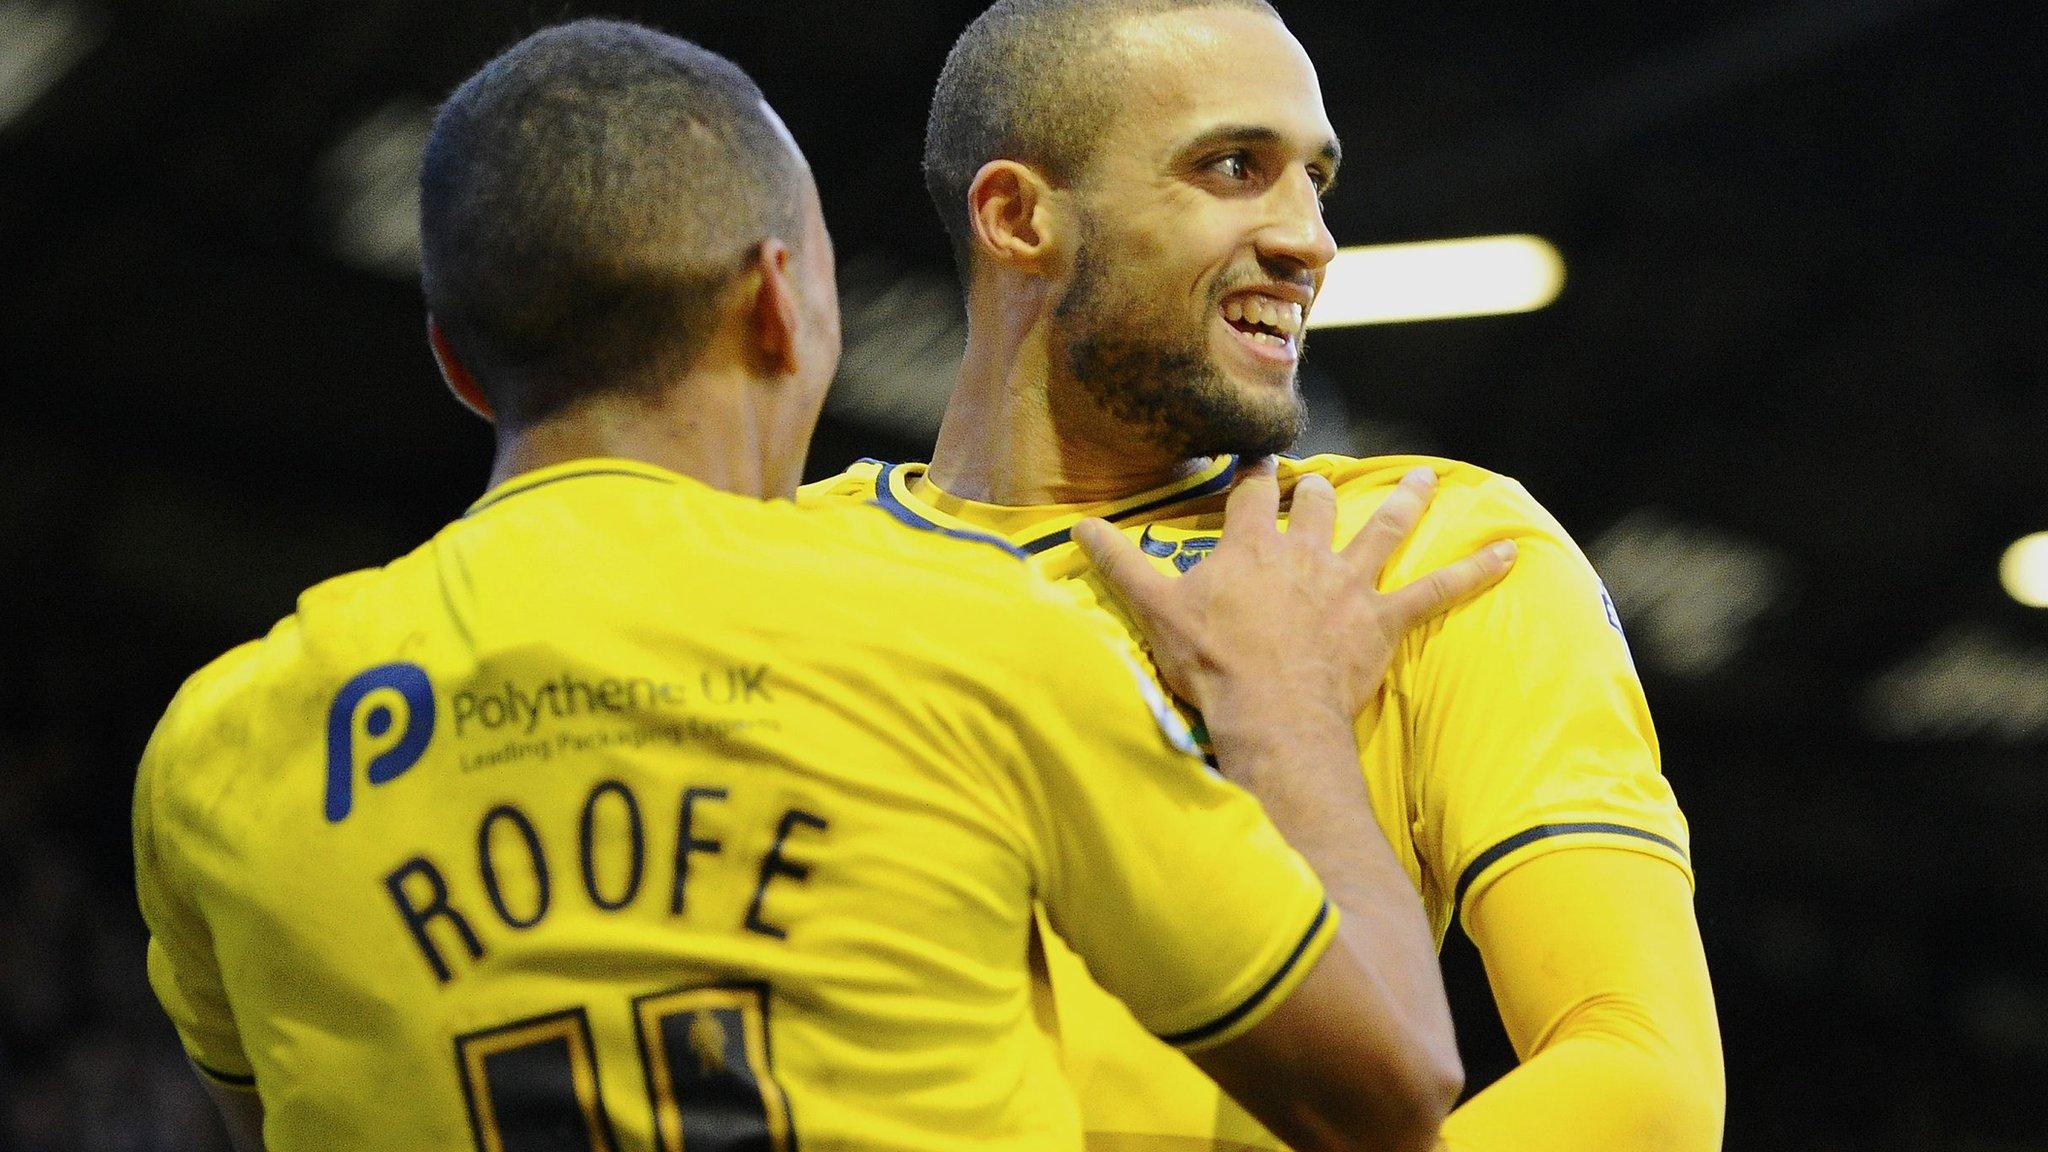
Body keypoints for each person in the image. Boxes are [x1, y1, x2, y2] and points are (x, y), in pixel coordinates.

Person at [133, 19, 1518, 1152]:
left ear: (457, 362)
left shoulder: (221, 750)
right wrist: (1282, 715)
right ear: (780, 305)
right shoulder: (970, 638)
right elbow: (1385, 1091)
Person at [799, 1, 1726, 1148]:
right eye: (1235, 167)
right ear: (1017, 217)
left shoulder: (1432, 547)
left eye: (1314, 182)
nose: (1310, 239)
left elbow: (1644, 1081)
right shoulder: (765, 565)